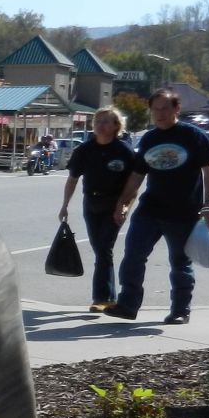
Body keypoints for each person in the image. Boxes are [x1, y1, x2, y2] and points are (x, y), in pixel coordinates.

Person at [104, 89, 209, 325]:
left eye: (165, 108)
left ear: (177, 109)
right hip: (150, 210)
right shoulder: (149, 138)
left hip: (184, 212)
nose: (159, 114)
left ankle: (180, 310)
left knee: (180, 263)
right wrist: (122, 203)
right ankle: (128, 305)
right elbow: (137, 175)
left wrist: (208, 203)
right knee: (133, 256)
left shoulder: (193, 136)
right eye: (155, 109)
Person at [58, 107, 135, 311]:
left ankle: (102, 298)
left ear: (116, 126)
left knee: (103, 248)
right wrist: (65, 205)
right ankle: (109, 295)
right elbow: (72, 179)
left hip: (115, 204)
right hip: (92, 204)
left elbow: (134, 185)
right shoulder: (84, 150)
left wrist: (124, 207)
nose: (101, 126)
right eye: (98, 122)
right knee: (100, 249)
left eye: (106, 122)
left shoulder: (124, 151)